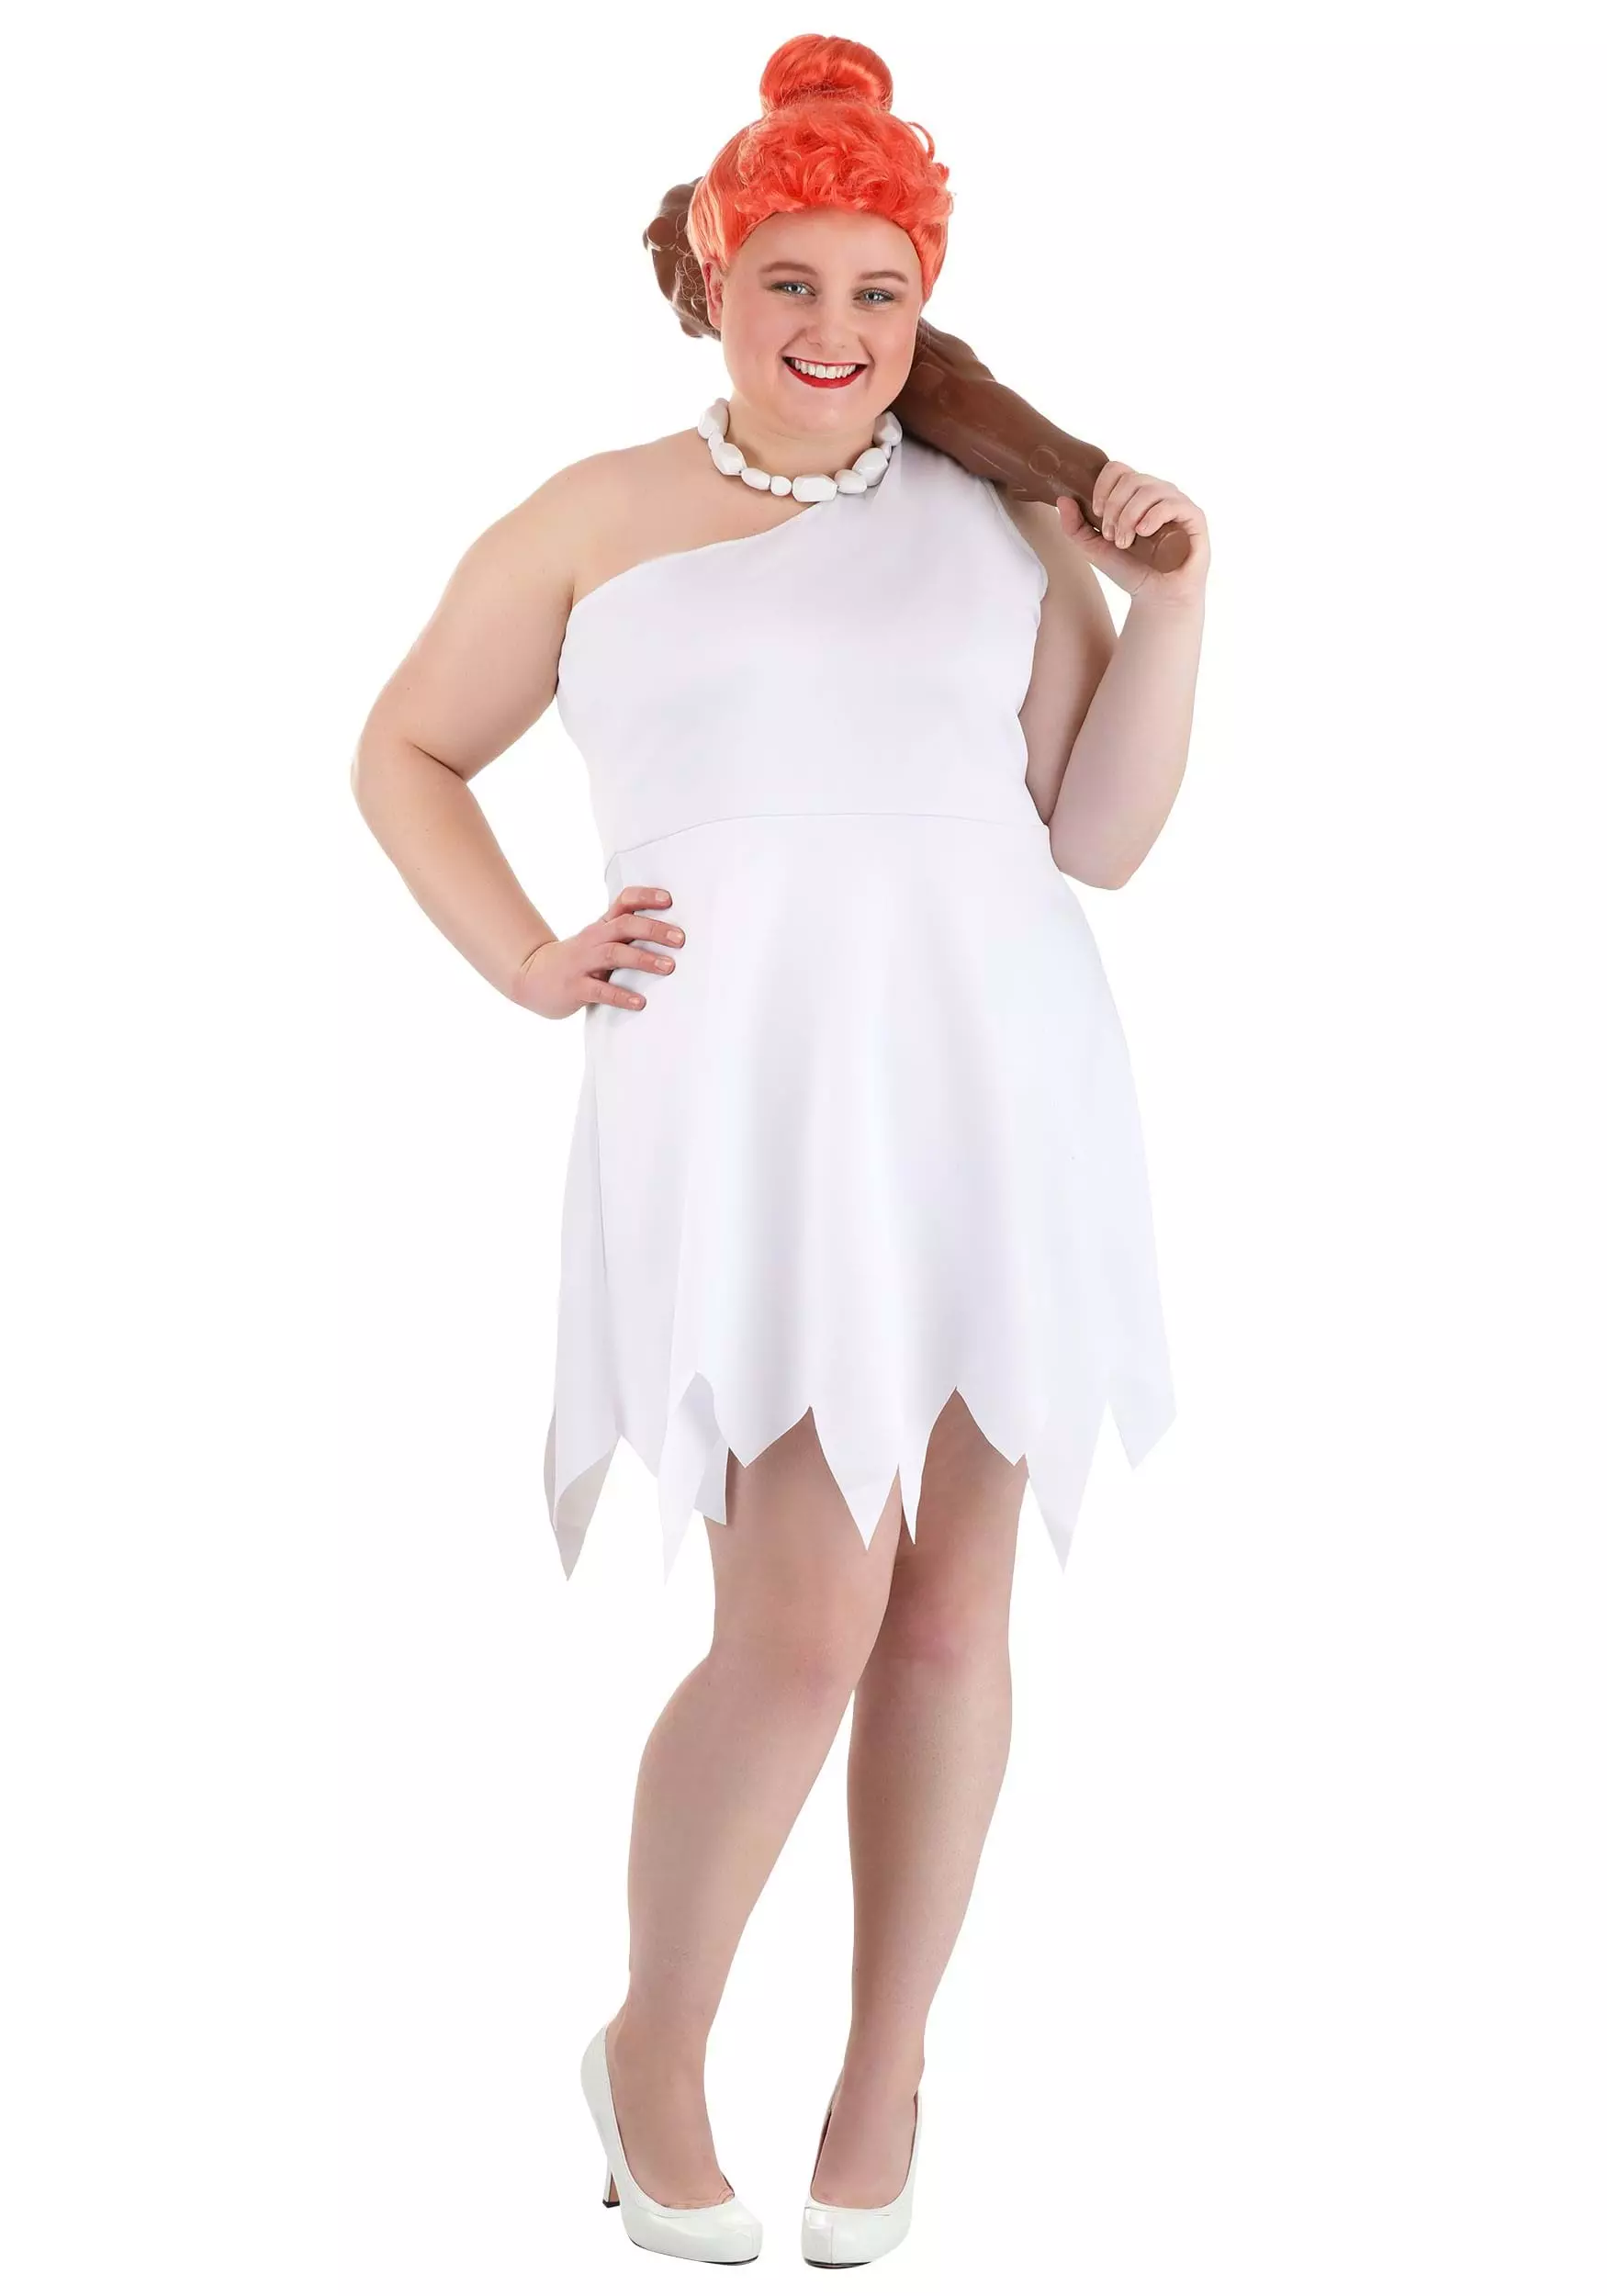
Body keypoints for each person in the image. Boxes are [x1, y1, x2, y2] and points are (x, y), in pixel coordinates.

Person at [351, 30, 1208, 2270]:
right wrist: (524, 952)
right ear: (711, 282)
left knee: (947, 1610)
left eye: (877, 291)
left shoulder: (992, 523)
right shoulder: (590, 515)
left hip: (993, 1079)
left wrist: (1173, 602)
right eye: (790, 284)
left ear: (925, 303)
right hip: (744, 1093)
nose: (834, 332)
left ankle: (881, 2068)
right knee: (801, 1615)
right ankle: (651, 2048)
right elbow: (405, 747)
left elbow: (1096, 834)